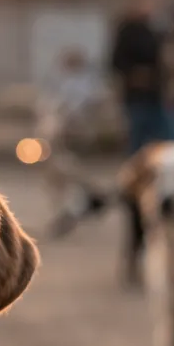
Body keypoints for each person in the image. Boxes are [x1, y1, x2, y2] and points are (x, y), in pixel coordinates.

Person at [108, 0, 166, 286]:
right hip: (140, 105)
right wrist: (138, 76)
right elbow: (117, 65)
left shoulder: (158, 31)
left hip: (157, 106)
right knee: (138, 178)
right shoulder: (128, 31)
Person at [36, 47, 108, 238]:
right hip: (54, 140)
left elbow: (94, 105)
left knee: (71, 174)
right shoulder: (56, 82)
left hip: (75, 138)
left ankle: (75, 209)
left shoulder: (89, 84)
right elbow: (46, 108)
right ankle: (79, 205)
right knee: (57, 177)